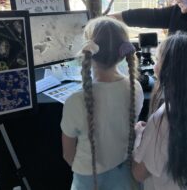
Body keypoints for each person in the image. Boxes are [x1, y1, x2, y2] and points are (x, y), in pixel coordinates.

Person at [61, 16, 144, 190]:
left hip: (86, 180)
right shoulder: (135, 88)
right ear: (122, 55)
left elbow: (68, 154)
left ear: (88, 51)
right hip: (125, 176)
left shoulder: (75, 101)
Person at [132, 32, 187, 190]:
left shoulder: (163, 119)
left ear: (169, 70)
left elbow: (138, 173)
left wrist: (139, 135)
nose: (154, 65)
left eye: (158, 59)